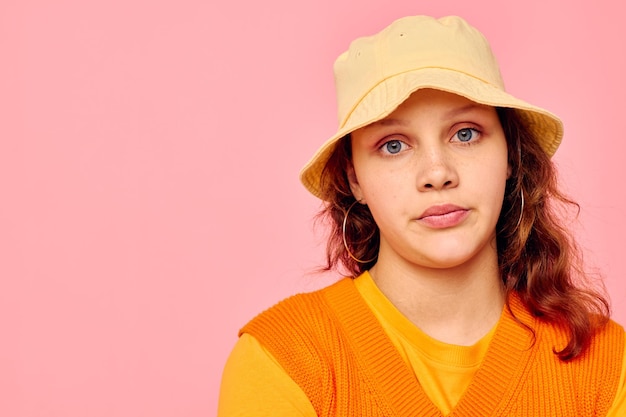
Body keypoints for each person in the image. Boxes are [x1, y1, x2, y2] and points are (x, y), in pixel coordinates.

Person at [217, 15, 626, 416]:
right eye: (393, 145)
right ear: (353, 177)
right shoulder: (283, 360)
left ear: (511, 156)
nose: (437, 174)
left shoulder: (607, 363)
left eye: (465, 133)